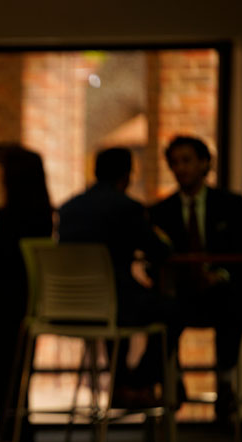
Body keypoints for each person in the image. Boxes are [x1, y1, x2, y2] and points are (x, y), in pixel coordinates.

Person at [149, 135, 242, 421]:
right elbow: (153, 260)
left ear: (204, 163)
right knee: (161, 311)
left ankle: (225, 381)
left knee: (234, 300)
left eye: (186, 161)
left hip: (221, 293)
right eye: (175, 163)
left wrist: (218, 275)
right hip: (182, 294)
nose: (180, 169)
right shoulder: (160, 211)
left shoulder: (231, 205)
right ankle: (172, 379)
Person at [59, 147, 173, 403]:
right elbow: (158, 251)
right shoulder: (126, 207)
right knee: (173, 310)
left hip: (69, 307)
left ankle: (122, 383)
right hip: (112, 304)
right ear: (127, 175)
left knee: (120, 302)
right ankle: (139, 381)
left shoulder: (68, 209)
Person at [0, 146, 54, 442]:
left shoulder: (12, 215)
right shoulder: (43, 213)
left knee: (4, 367)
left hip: (4, 300)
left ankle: (10, 433)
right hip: (28, 298)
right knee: (22, 368)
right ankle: (21, 431)